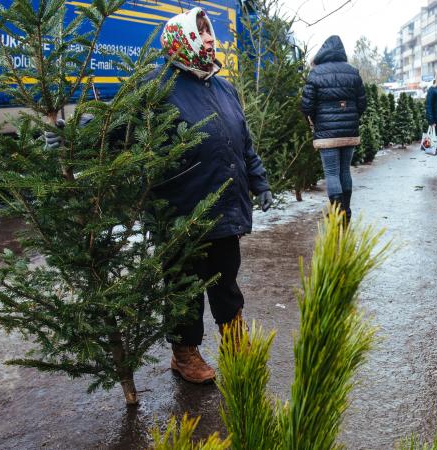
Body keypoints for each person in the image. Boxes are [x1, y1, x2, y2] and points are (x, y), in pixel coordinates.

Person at [150, 8, 272, 382]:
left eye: (209, 31)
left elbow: (243, 143)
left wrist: (259, 181)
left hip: (224, 207)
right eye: (200, 32)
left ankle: (233, 341)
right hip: (181, 212)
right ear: (180, 38)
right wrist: (70, 136)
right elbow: (116, 126)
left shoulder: (223, 87)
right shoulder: (157, 87)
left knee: (225, 277)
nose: (209, 38)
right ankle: (184, 354)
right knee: (185, 285)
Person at [301, 35, 367, 222]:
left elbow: (306, 105)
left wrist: (315, 120)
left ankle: (338, 214)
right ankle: (347, 211)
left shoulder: (316, 73)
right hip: (349, 131)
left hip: (326, 132)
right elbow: (362, 103)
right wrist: (350, 117)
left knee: (331, 172)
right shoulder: (353, 72)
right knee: (345, 171)